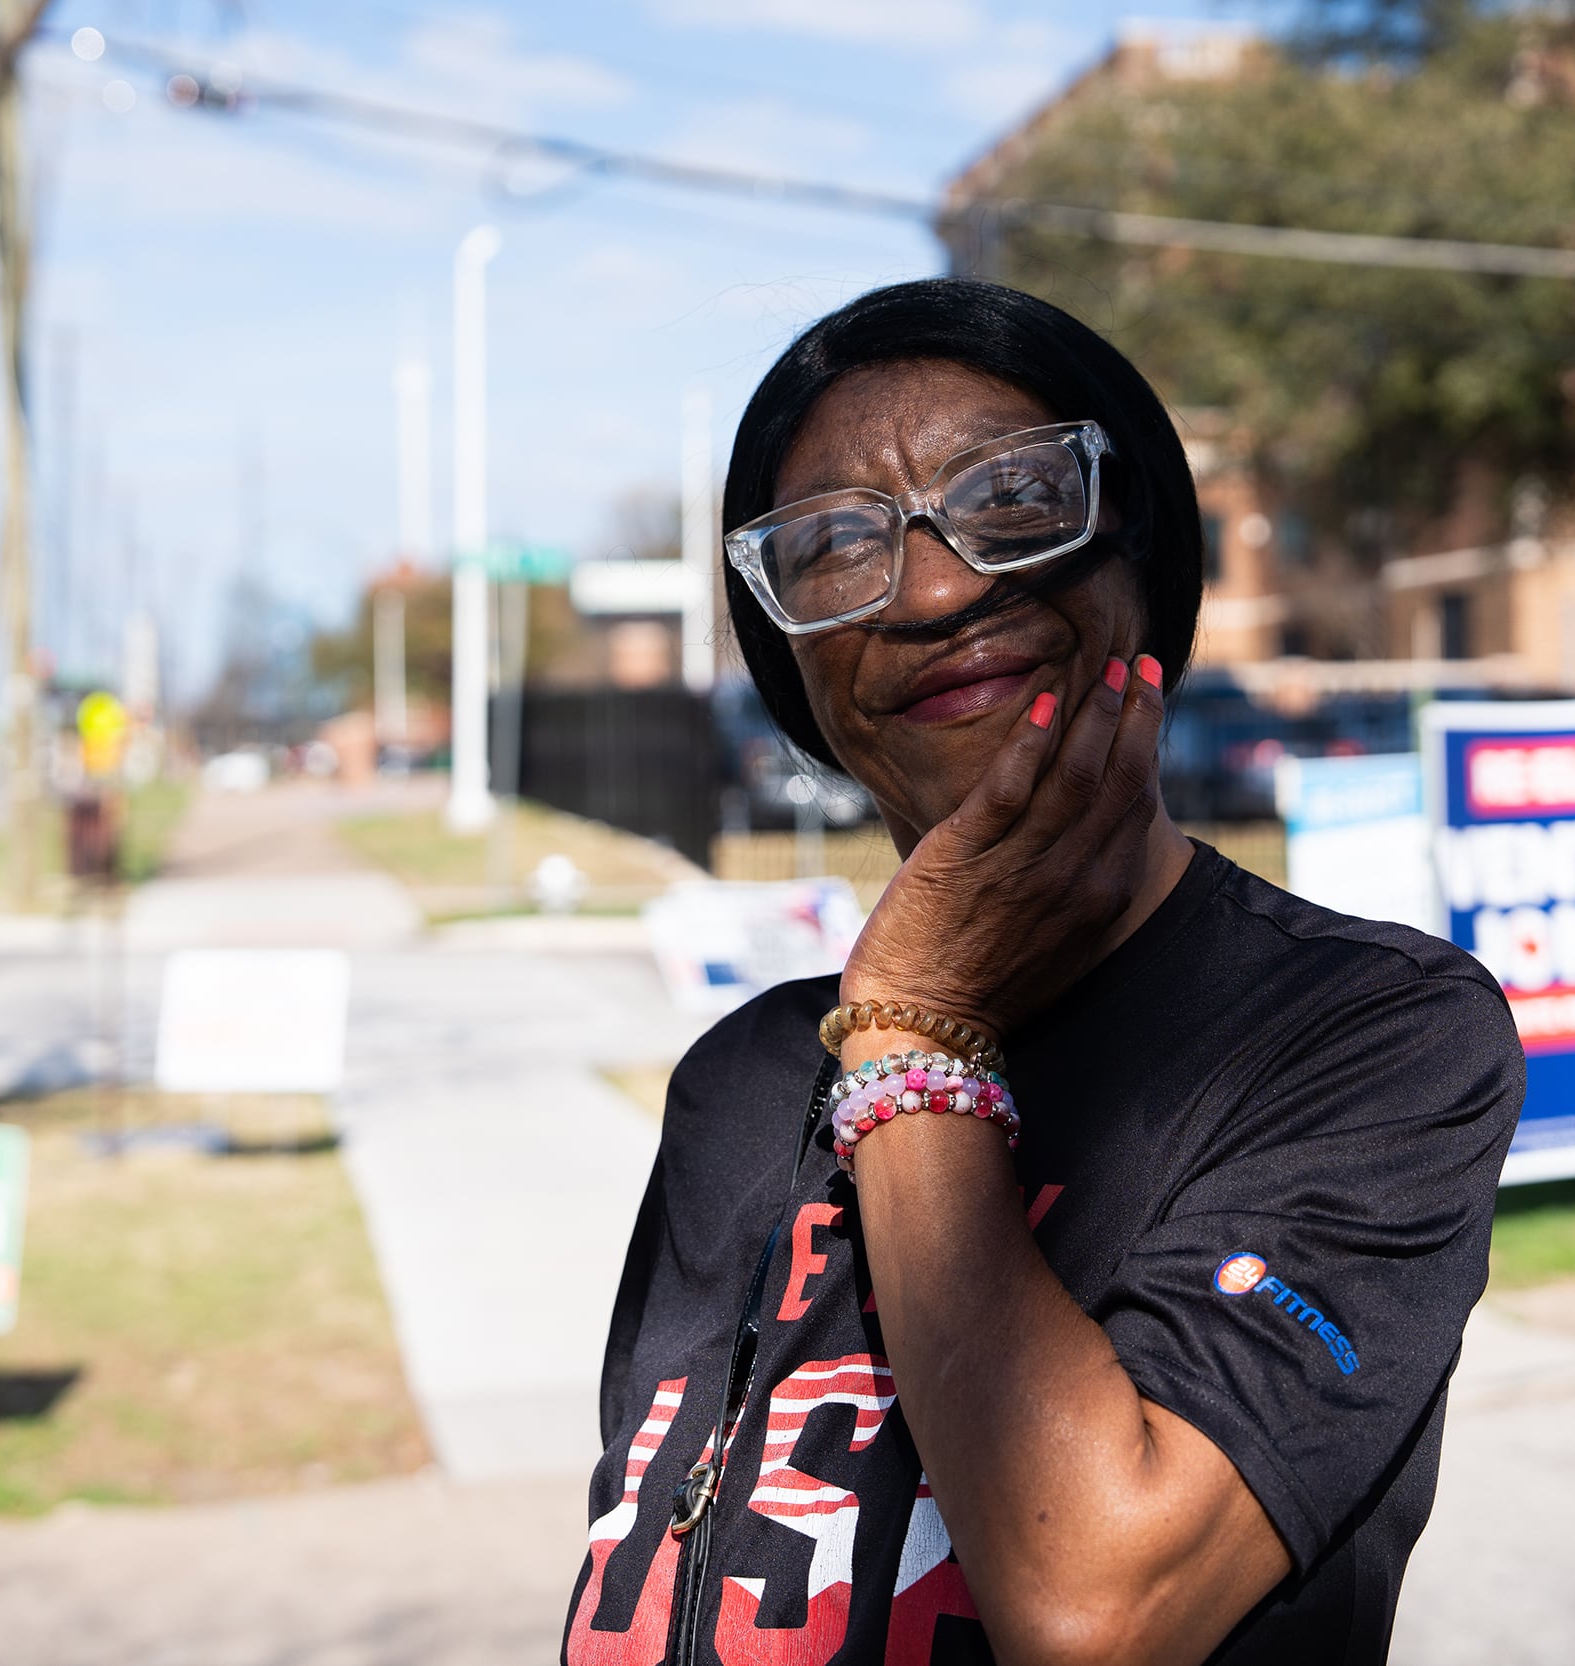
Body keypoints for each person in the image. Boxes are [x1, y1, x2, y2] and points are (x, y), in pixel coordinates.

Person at [562, 279, 1524, 1666]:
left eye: (1015, 496)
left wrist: (913, 1035)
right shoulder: (744, 1082)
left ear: (1147, 559)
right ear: (795, 666)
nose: (943, 587)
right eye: (836, 544)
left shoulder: (1372, 1034)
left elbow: (1098, 1610)